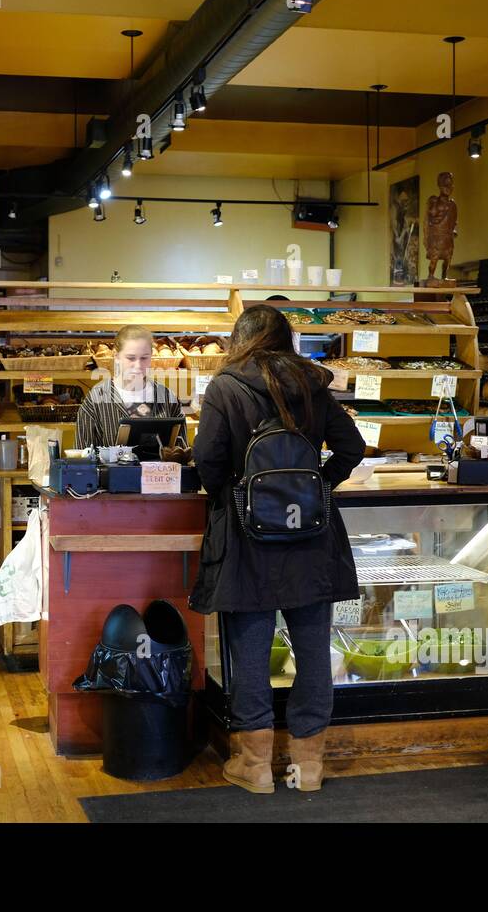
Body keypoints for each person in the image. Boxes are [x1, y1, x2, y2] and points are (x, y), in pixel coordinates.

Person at [190, 305, 364, 794]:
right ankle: (309, 766)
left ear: (239, 339)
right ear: (286, 338)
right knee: (312, 649)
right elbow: (351, 449)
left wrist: (234, 496)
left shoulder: (226, 387)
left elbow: (208, 458)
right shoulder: (314, 384)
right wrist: (319, 487)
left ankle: (256, 765)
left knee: (249, 648)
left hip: (247, 540)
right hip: (311, 535)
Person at [75, 324, 186, 450]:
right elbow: (82, 457)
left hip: (160, 470)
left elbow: (181, 452)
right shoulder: (95, 399)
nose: (138, 365)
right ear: (116, 357)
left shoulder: (168, 398)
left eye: (144, 358)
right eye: (131, 358)